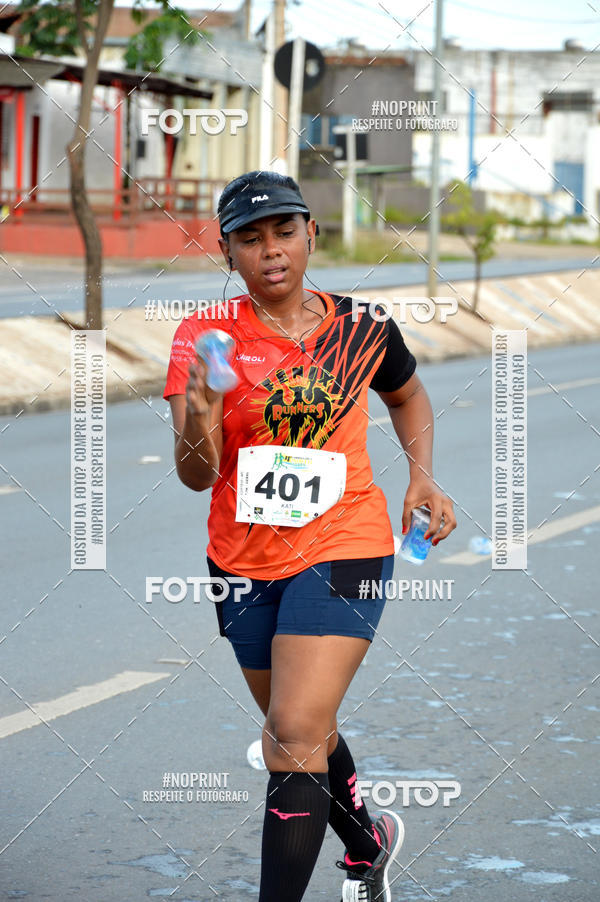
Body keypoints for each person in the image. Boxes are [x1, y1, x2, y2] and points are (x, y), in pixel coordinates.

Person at [163, 170, 457, 902]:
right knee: (302, 729)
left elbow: (408, 394)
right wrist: (201, 412)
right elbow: (197, 478)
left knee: (292, 730)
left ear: (310, 235)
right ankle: (369, 841)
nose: (271, 251)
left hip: (348, 545)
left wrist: (422, 475)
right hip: (241, 561)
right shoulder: (205, 338)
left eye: (285, 232)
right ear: (228, 253)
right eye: (250, 239)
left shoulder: (362, 328)